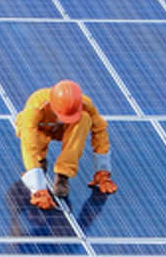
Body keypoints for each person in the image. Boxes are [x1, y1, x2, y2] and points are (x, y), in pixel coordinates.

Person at [17, 80, 117, 210]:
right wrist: (38, 189)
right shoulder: (35, 108)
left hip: (62, 130)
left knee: (85, 118)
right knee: (30, 136)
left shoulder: (85, 104)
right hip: (40, 129)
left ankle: (63, 175)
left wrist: (103, 172)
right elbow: (29, 144)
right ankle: (39, 163)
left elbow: (100, 131)